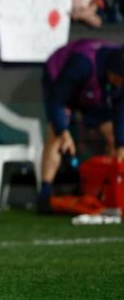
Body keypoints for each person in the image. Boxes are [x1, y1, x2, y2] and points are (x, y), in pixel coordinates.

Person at [39, 40, 124, 213]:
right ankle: (45, 196)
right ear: (112, 72)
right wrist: (63, 130)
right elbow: (58, 99)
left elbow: (121, 110)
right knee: (56, 135)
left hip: (93, 91)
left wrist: (121, 143)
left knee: (115, 138)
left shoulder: (118, 78)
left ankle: (107, 194)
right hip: (60, 82)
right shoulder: (82, 64)